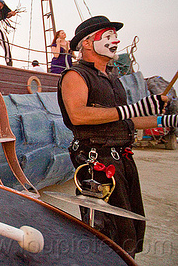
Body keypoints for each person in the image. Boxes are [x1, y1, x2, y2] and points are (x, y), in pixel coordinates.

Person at [58, 15, 177, 257]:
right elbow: (78, 115)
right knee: (106, 233)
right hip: (97, 162)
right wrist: (134, 108)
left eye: (115, 36)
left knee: (128, 229)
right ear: (88, 43)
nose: (115, 41)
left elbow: (125, 120)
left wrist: (166, 120)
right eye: (108, 36)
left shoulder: (113, 79)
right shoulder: (75, 76)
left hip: (122, 159)